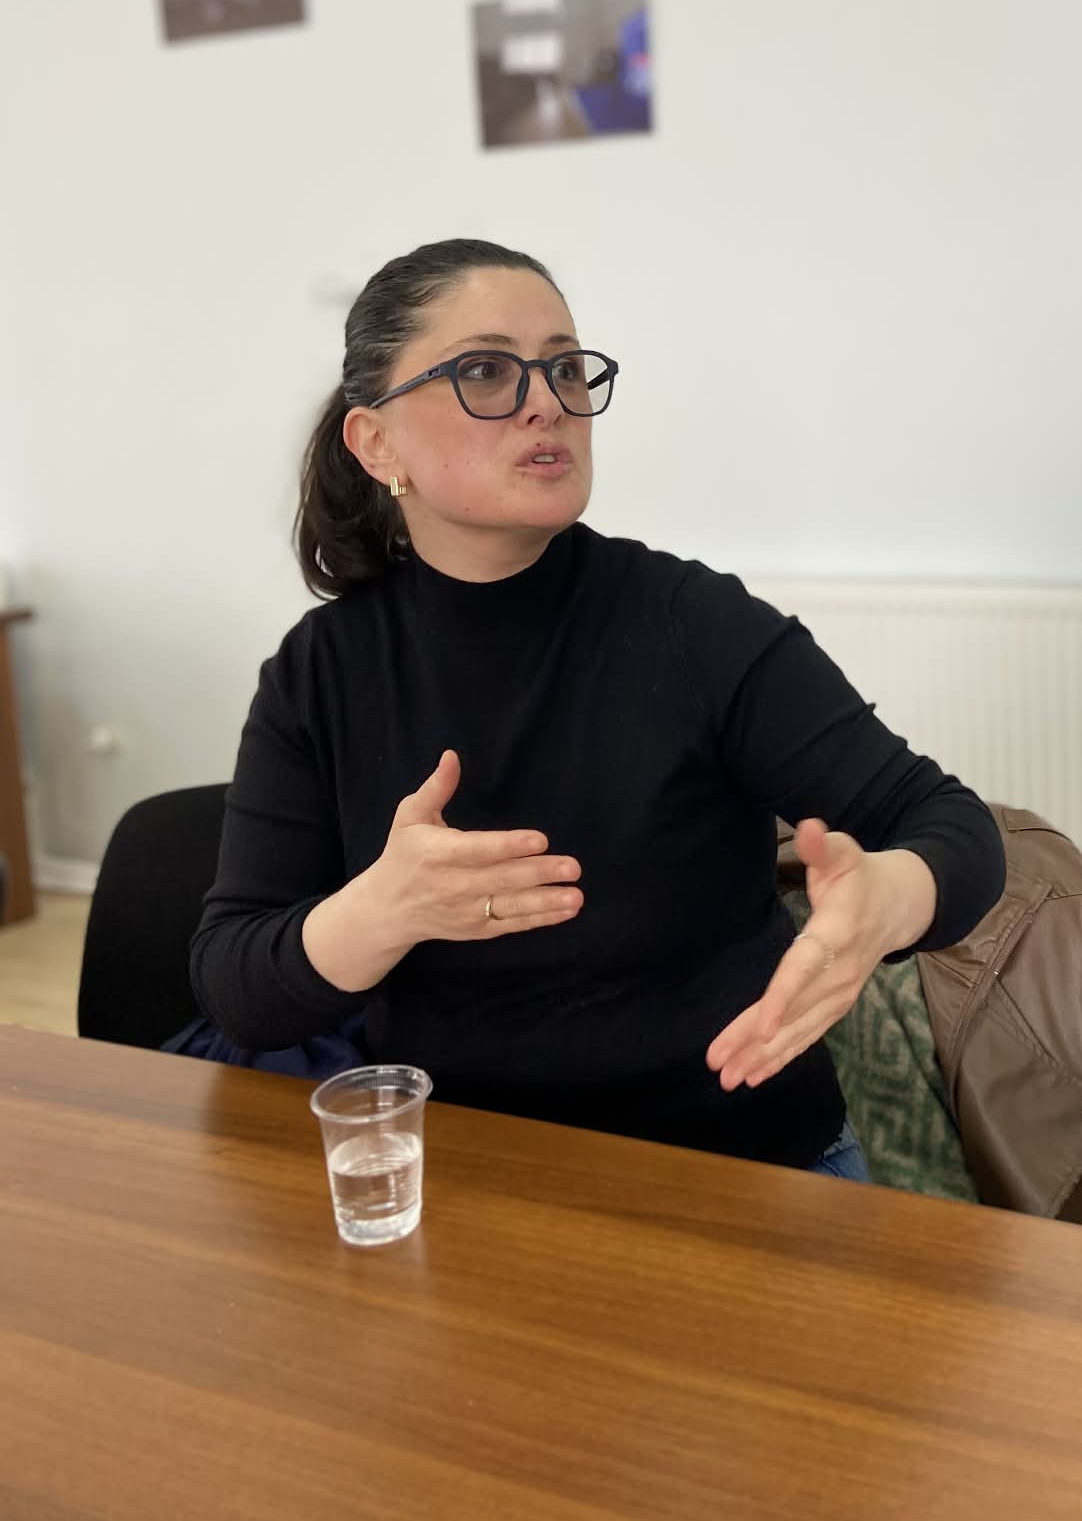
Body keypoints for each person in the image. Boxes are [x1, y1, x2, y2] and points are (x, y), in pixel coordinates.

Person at [190, 239, 1005, 1177]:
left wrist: (893, 897)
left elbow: (952, 825)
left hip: (738, 1171)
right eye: (486, 370)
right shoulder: (320, 670)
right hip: (465, 1176)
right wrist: (386, 907)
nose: (547, 402)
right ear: (377, 444)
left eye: (566, 368)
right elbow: (237, 985)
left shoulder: (693, 624)